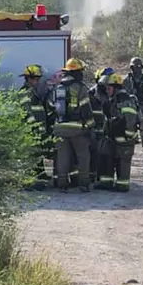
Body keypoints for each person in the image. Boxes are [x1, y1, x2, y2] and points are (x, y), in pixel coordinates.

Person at [48, 57, 93, 192]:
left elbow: (50, 106)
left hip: (60, 128)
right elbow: (86, 110)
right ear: (77, 72)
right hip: (77, 129)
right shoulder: (80, 88)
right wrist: (90, 127)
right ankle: (84, 184)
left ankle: (62, 184)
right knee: (83, 156)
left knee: (62, 157)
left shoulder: (57, 88)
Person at [99, 72, 141, 192]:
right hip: (113, 138)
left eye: (109, 87)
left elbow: (130, 119)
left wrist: (128, 136)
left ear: (116, 87)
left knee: (123, 163)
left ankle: (122, 185)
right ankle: (106, 183)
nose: (107, 90)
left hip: (124, 139)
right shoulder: (113, 100)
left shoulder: (125, 100)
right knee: (106, 157)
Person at [19, 64, 52, 190]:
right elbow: (26, 111)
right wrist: (34, 126)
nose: (37, 81)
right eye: (36, 79)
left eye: (38, 79)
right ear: (29, 78)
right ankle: (29, 182)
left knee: (41, 155)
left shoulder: (35, 91)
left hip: (39, 130)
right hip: (31, 131)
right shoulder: (24, 92)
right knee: (31, 156)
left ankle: (41, 181)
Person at [90, 67, 114, 188]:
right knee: (94, 154)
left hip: (104, 131)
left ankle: (99, 178)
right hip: (94, 130)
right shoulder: (93, 93)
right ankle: (92, 177)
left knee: (102, 155)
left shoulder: (110, 94)